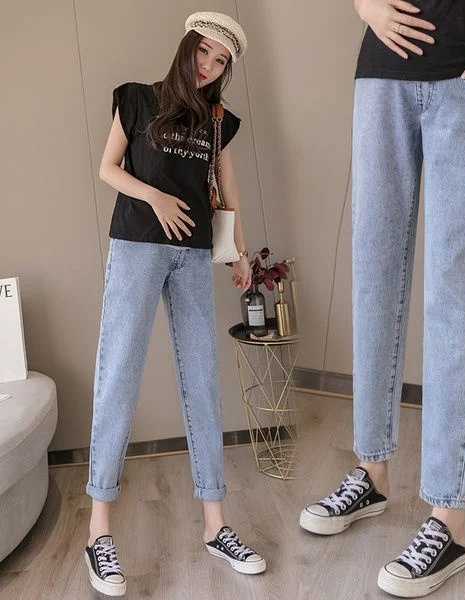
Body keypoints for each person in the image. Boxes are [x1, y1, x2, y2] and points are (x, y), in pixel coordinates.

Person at [299, 0, 465, 596]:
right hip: (382, 79)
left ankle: (449, 521)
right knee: (374, 280)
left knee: (454, 296)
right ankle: (372, 473)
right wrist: (367, 7)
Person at [84, 12, 266, 597]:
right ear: (187, 48)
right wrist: (156, 197)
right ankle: (98, 533)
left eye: (220, 61)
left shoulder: (217, 120)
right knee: (118, 376)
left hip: (191, 257)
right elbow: (108, 168)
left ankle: (216, 526)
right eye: (203, 52)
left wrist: (239, 253)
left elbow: (228, 190)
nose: (208, 66)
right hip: (137, 248)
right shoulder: (137, 99)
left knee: (203, 383)